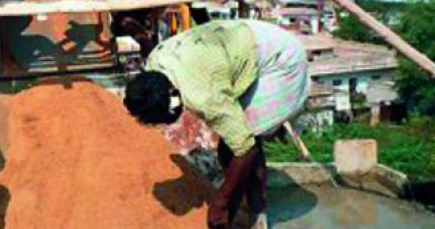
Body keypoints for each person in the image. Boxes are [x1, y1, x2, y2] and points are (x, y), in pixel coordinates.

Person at [122, 20, 310, 229]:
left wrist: (220, 202)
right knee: (232, 146)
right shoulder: (155, 63)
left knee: (238, 146)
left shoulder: (204, 97)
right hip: (241, 40)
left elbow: (245, 149)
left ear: (172, 103)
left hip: (279, 61)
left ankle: (254, 213)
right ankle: (242, 206)